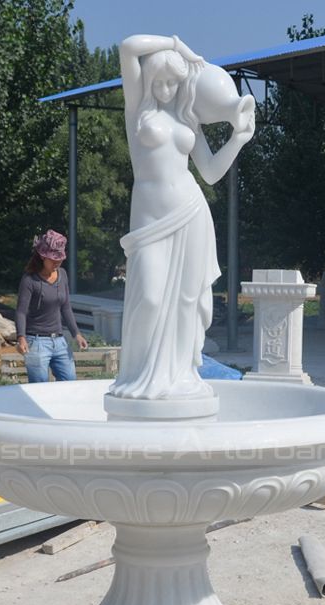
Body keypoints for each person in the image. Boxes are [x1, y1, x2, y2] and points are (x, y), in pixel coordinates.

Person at [109, 35, 254, 401]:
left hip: (192, 213)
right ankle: (138, 376)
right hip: (151, 222)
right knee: (152, 298)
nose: (166, 88)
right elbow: (129, 47)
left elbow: (209, 173)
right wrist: (178, 45)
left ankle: (180, 376)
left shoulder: (189, 121)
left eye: (173, 82)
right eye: (160, 80)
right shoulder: (137, 111)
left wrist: (238, 139)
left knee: (188, 301)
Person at [15, 230, 88, 383]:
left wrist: (76, 334)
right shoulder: (29, 280)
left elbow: (66, 307)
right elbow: (21, 312)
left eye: (60, 259)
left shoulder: (63, 275)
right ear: (42, 256)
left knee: (70, 383)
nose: (57, 263)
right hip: (36, 342)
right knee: (39, 389)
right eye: (54, 260)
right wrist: (21, 338)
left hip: (59, 341)